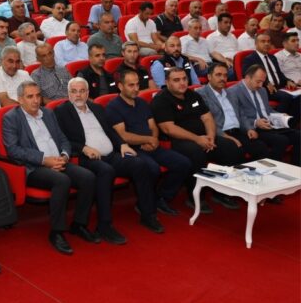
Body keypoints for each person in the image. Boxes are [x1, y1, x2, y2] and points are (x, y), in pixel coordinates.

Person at [56, 77, 156, 242]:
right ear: (68, 94)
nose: (78, 95)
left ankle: (148, 214)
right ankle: (104, 225)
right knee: (106, 171)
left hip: (111, 154)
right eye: (74, 91)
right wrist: (83, 148)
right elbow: (61, 138)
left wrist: (122, 144)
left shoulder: (97, 108)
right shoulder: (61, 111)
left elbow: (110, 131)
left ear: (88, 93)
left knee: (139, 164)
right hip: (85, 158)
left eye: (82, 91)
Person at [2, 81, 97, 254]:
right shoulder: (11, 118)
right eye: (30, 96)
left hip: (59, 160)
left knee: (88, 177)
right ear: (20, 99)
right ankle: (57, 232)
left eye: (38, 95)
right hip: (34, 167)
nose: (36, 100)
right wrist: (44, 160)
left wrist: (64, 156)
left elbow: (63, 139)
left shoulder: (48, 113)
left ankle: (79, 224)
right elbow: (13, 150)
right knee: (62, 181)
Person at [151, 68, 242, 212]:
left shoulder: (193, 95)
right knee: (196, 152)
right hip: (176, 140)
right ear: (167, 82)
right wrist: (197, 139)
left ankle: (221, 192)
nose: (182, 83)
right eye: (176, 80)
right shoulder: (161, 100)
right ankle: (196, 197)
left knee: (230, 147)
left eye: (184, 79)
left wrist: (211, 136)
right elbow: (169, 128)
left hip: (203, 137)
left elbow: (207, 117)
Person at [106, 69, 189, 216]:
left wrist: (154, 140)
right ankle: (144, 203)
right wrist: (148, 139)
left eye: (137, 84)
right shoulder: (113, 107)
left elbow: (153, 126)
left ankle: (161, 197)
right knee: (152, 169)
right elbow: (123, 136)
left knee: (183, 163)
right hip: (132, 149)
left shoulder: (142, 102)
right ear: (120, 86)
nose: (136, 88)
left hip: (151, 145)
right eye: (131, 85)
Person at [196, 63, 273, 161]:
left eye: (225, 75)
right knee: (235, 150)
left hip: (237, 131)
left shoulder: (231, 93)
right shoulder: (201, 94)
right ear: (209, 77)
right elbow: (206, 122)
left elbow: (241, 114)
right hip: (219, 134)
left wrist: (249, 128)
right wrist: (226, 136)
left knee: (260, 147)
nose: (223, 78)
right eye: (218, 75)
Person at [227, 64, 299, 165]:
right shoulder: (233, 92)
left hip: (269, 124)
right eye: (258, 81)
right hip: (253, 128)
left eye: (263, 82)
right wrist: (255, 123)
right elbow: (237, 116)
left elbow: (268, 110)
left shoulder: (262, 90)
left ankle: (296, 168)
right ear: (247, 78)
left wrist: (281, 116)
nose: (261, 85)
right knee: (281, 140)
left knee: (298, 135)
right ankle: (273, 169)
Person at [241, 33, 299, 117]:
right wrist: (265, 83)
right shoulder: (250, 59)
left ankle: (291, 121)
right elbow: (247, 76)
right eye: (263, 41)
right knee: (286, 97)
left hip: (279, 88)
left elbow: (279, 74)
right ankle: (275, 120)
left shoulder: (272, 57)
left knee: (298, 97)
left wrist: (288, 81)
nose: (267, 44)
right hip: (263, 89)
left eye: (268, 41)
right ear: (256, 44)